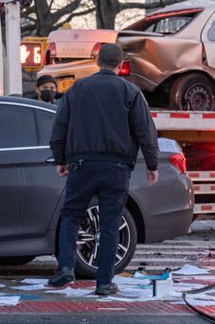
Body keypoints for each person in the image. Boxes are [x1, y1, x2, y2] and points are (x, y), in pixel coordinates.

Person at [48, 43, 159, 296]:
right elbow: (145, 130)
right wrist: (152, 164)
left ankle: (65, 266)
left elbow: (59, 127)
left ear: (97, 62)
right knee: (110, 222)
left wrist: (60, 159)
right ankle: (104, 282)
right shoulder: (130, 91)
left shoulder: (77, 89)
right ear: (121, 64)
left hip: (82, 164)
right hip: (116, 167)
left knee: (71, 215)